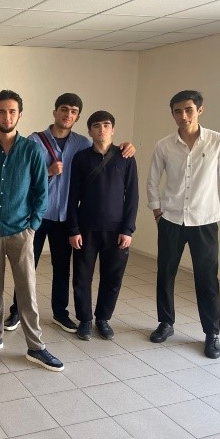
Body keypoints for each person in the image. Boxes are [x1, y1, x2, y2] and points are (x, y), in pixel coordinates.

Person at [4, 93, 136, 333]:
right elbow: (21, 177)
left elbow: (103, 149)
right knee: (26, 266)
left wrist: (127, 146)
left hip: (65, 218)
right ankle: (17, 311)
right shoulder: (34, 141)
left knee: (62, 269)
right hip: (36, 216)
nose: (68, 115)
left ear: (77, 117)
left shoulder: (83, 144)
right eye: (64, 109)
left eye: (74, 112)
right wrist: (48, 171)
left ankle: (60, 313)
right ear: (55, 111)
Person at [0, 89, 64, 372]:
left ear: (19, 115)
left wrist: (33, 226)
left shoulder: (31, 150)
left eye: (12, 111)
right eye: (1, 111)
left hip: (21, 231)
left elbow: (41, 192)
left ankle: (36, 346)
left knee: (26, 290)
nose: (7, 116)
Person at [147, 90, 220, 359]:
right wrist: (157, 212)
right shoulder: (164, 145)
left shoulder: (217, 141)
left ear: (199, 110)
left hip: (204, 220)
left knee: (207, 279)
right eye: (177, 111)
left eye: (188, 110)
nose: (183, 116)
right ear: (172, 114)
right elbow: (152, 180)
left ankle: (212, 333)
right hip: (171, 220)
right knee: (165, 274)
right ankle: (165, 322)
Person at [68, 111, 139, 341]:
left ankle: (103, 319)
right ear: (90, 131)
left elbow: (133, 196)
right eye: (96, 126)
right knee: (81, 277)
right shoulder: (81, 158)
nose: (102, 129)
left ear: (113, 129)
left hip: (116, 230)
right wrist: (73, 229)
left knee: (112, 278)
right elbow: (72, 196)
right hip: (86, 229)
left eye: (106, 125)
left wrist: (128, 229)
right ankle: (85, 320)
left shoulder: (125, 157)